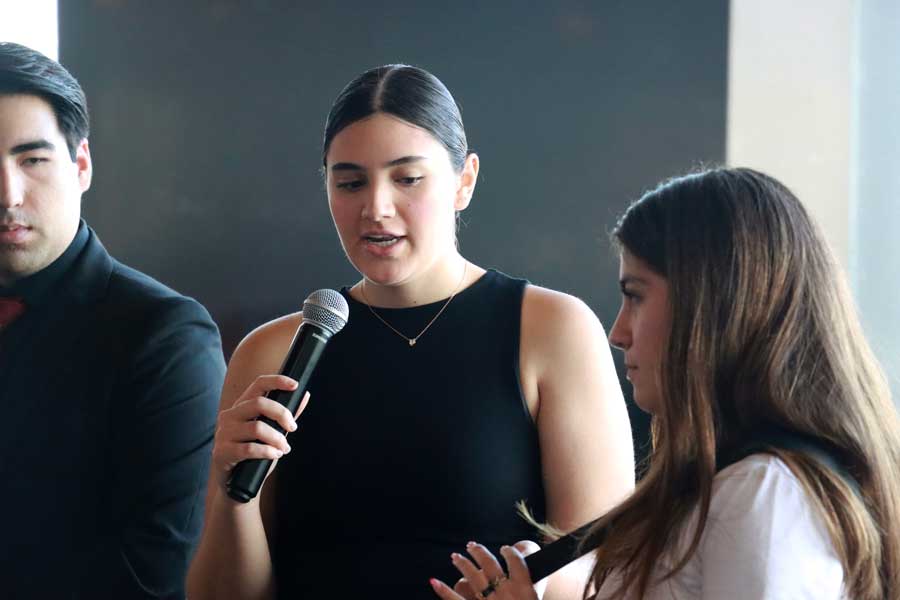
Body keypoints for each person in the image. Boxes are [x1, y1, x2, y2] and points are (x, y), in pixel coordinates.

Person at [187, 64, 635, 599]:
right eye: (350, 182)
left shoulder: (551, 329)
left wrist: (537, 591)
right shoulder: (274, 349)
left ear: (463, 181)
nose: (375, 209)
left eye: (408, 179)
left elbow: (604, 564)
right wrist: (231, 495)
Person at [430, 167, 900, 600]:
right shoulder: (732, 490)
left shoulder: (763, 496)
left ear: (713, 307)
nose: (618, 333)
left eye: (635, 296)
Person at [0, 42, 226, 598]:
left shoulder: (166, 335)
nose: (8, 194)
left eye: (33, 160)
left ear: (81, 165)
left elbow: (152, 572)